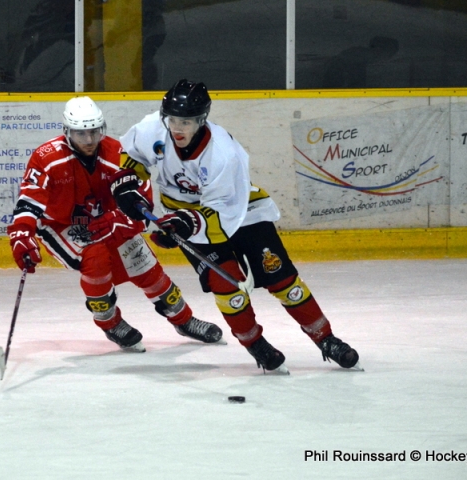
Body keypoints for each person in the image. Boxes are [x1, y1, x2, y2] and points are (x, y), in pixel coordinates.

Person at [112, 79, 361, 371]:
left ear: (201, 120)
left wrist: (184, 224)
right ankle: (255, 344)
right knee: (226, 285)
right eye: (173, 120)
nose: (177, 128)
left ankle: (326, 339)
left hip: (241, 212)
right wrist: (127, 183)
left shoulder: (223, 154)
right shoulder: (154, 128)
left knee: (281, 279)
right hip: (187, 218)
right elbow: (133, 155)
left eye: (186, 122)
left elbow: (224, 213)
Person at [7, 95, 223, 353]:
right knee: (95, 257)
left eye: (94, 132)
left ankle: (184, 320)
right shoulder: (46, 157)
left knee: (144, 265)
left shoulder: (119, 153)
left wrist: (119, 220)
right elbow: (29, 200)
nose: (89, 140)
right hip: (61, 225)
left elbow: (141, 202)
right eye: (80, 133)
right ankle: (109, 322)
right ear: (67, 131)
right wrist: (22, 235)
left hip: (110, 219)